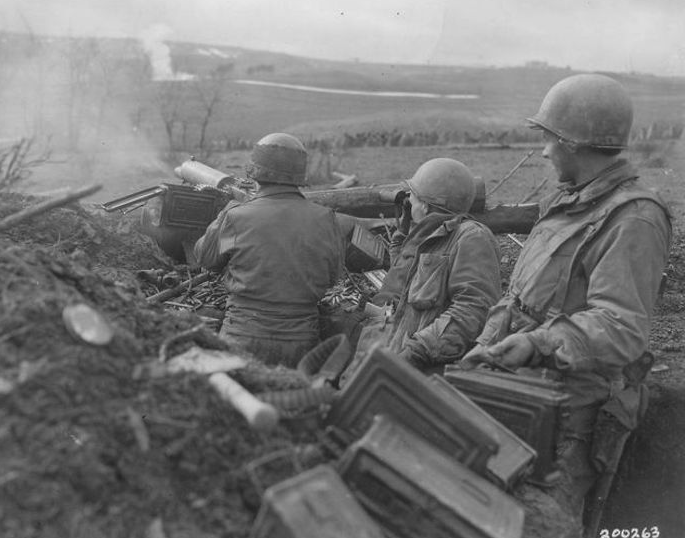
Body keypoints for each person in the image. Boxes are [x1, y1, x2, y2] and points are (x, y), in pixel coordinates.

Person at [461, 74, 672, 538]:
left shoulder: (633, 218)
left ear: (574, 143)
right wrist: (480, 352)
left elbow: (621, 327)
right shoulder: (568, 205)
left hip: (571, 414)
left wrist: (539, 342)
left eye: (548, 138)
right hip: (521, 393)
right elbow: (518, 300)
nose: (542, 152)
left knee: (545, 534)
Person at [193, 133, 346, 368]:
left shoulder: (236, 215)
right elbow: (333, 277)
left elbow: (205, 258)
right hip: (302, 341)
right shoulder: (326, 218)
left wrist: (226, 213)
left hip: (242, 335)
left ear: (254, 174)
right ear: (299, 177)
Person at [341, 157, 502, 379]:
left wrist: (416, 352)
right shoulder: (427, 236)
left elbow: (473, 310)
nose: (410, 201)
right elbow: (403, 275)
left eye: (413, 197)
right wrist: (405, 228)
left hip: (423, 371)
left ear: (425, 204)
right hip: (393, 359)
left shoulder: (471, 237)